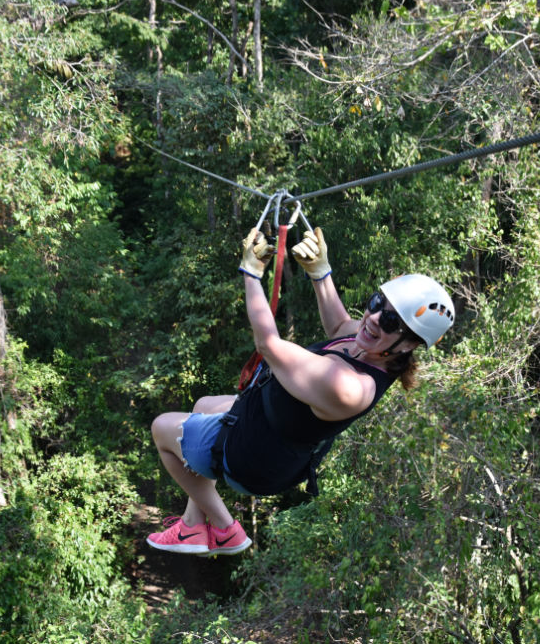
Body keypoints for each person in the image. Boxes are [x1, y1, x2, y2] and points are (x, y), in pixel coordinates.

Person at [145, 225, 455, 556]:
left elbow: (268, 343)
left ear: (408, 345)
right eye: (377, 302)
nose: (375, 318)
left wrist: (251, 275)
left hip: (255, 460)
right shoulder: (369, 345)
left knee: (162, 430)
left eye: (391, 321)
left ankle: (224, 528)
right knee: (204, 404)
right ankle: (194, 525)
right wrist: (321, 274)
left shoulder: (351, 387)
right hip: (264, 422)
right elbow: (339, 327)